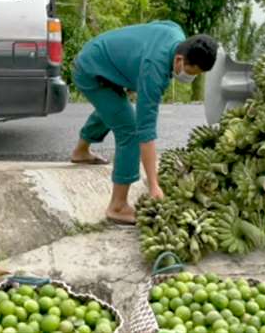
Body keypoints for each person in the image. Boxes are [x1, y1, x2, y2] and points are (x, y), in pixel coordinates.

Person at [69, 21, 218, 224]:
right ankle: (118, 206)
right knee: (129, 130)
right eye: (190, 73)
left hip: (99, 59)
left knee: (115, 109)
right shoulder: (153, 72)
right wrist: (154, 185)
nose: (189, 78)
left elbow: (146, 37)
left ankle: (81, 152)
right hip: (90, 72)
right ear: (179, 59)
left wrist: (128, 72)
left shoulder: (176, 33)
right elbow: (145, 132)